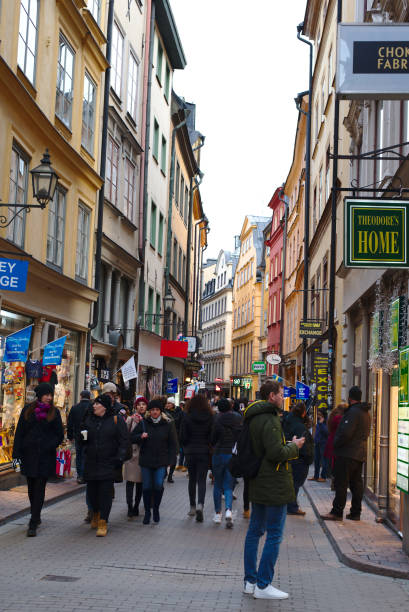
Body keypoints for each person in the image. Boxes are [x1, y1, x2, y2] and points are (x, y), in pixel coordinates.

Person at [243, 380, 305, 600]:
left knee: (254, 532)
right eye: (281, 393)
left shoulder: (253, 416)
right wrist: (294, 446)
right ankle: (263, 584)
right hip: (273, 483)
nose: (283, 396)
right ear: (271, 396)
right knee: (274, 534)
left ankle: (250, 582)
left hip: (259, 480)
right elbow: (275, 453)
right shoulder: (269, 420)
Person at [12, 383, 64, 537]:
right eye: (46, 394)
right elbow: (19, 434)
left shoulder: (54, 413)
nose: (49, 397)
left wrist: (49, 445)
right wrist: (16, 456)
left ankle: (33, 522)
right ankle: (37, 514)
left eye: (51, 395)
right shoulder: (27, 410)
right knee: (31, 488)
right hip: (28, 456)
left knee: (40, 488)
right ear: (40, 395)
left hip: (45, 457)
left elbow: (59, 435)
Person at [321, 386, 371, 522]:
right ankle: (355, 512)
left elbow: (345, 433)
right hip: (359, 453)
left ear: (350, 398)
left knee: (341, 483)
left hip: (347, 453)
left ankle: (337, 512)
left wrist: (336, 443)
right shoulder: (365, 413)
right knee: (356, 484)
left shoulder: (353, 412)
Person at [82, 395, 129, 536]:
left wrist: (119, 458)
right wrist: (82, 438)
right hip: (91, 462)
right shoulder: (89, 419)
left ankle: (103, 521)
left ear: (104, 407)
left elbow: (124, 441)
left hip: (108, 463)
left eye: (97, 404)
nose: (94, 406)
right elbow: (82, 437)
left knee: (105, 494)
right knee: (92, 494)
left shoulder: (116, 420)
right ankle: (95, 513)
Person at [131, 399, 177, 524]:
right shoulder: (144, 423)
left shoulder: (167, 424)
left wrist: (171, 460)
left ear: (160, 411)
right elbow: (131, 438)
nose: (154, 412)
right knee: (146, 487)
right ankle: (147, 512)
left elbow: (173, 444)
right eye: (152, 410)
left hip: (161, 461)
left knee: (158, 485)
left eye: (157, 410)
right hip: (146, 460)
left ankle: (155, 508)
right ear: (149, 412)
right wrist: (140, 436)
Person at [179, 395, 214, 522]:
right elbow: (212, 435)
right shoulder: (210, 417)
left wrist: (186, 446)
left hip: (190, 451)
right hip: (204, 451)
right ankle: (201, 504)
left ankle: (192, 507)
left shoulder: (187, 416)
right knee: (201, 480)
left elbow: (182, 436)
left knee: (192, 479)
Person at [211, 398, 242, 528]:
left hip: (218, 453)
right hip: (231, 454)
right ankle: (228, 510)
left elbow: (212, 439)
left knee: (217, 484)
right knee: (228, 485)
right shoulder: (237, 419)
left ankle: (218, 513)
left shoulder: (216, 419)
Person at [283, 401, 314, 516]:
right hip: (299, 458)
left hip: (291, 456)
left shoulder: (288, 421)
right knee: (295, 483)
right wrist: (308, 458)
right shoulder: (299, 426)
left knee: (292, 482)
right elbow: (304, 445)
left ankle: (291, 505)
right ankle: (292, 506)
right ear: (303, 413)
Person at [124, 396, 147, 518]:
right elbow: (125, 435)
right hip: (131, 454)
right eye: (139, 404)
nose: (141, 406)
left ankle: (136, 506)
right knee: (130, 482)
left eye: (143, 404)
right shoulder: (131, 419)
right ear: (135, 406)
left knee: (140, 483)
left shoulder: (148, 420)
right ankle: (129, 506)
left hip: (144, 455)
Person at [67, 390, 92, 484]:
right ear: (89, 397)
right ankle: (85, 475)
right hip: (89, 435)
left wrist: (70, 436)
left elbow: (70, 423)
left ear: (81, 397)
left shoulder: (74, 407)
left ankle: (80, 475)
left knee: (79, 455)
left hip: (78, 435)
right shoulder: (92, 407)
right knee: (86, 455)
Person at [324, 403, 347, 483]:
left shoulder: (333, 416)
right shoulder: (339, 418)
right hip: (336, 442)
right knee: (337, 464)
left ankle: (333, 479)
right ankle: (335, 481)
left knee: (333, 462)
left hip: (332, 441)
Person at [163, 397, 183, 483]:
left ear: (173, 404)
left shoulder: (179, 412)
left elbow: (181, 424)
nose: (167, 405)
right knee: (164, 456)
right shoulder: (163, 412)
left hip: (175, 437)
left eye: (169, 403)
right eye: (166, 403)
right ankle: (164, 473)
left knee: (174, 458)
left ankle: (170, 475)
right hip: (165, 437)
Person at [308, 409, 329, 482]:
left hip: (323, 444)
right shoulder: (318, 423)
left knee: (324, 461)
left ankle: (323, 476)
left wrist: (321, 423)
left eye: (320, 415)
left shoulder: (325, 423)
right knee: (316, 460)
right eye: (318, 414)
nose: (318, 416)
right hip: (317, 443)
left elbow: (326, 432)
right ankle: (316, 476)